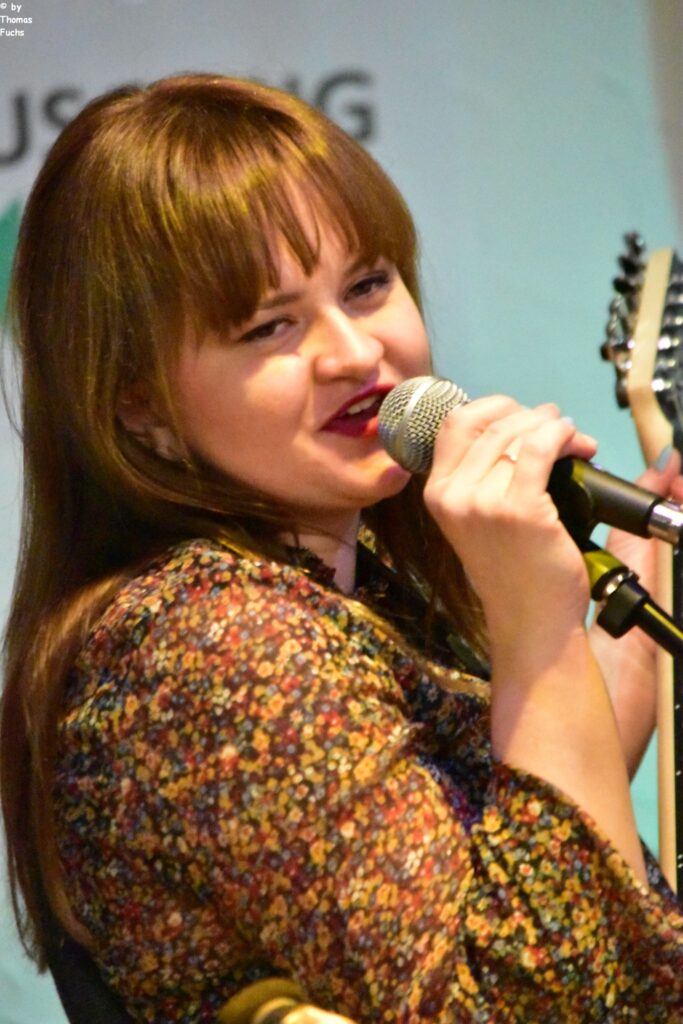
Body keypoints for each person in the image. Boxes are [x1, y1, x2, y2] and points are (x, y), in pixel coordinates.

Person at [1, 72, 682, 1024]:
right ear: (137, 403)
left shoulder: (336, 586)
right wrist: (536, 630)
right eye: (268, 326)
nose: (357, 353)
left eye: (367, 285)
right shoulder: (210, 647)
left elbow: (525, 859)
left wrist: (613, 624)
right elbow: (545, 999)